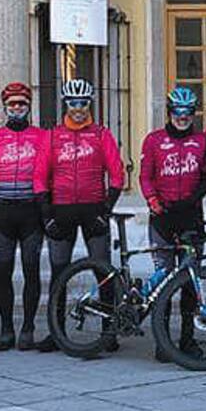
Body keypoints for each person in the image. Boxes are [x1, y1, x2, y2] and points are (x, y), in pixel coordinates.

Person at [35, 78, 125, 353]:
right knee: (59, 272)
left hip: (94, 210)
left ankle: (109, 332)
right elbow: (40, 178)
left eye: (83, 103)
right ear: (66, 104)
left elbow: (118, 175)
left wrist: (106, 209)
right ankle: (56, 331)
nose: (78, 109)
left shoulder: (101, 135)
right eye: (73, 103)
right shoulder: (52, 136)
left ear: (90, 104)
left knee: (104, 272)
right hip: (61, 210)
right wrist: (46, 215)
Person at [139, 86, 206, 361]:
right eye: (177, 112)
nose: (182, 117)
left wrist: (194, 199)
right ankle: (163, 341)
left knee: (189, 281)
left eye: (187, 112)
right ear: (170, 112)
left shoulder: (203, 140)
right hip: (162, 217)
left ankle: (187, 338)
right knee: (164, 279)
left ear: (193, 113)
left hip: (190, 216)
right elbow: (145, 176)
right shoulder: (154, 140)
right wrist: (153, 201)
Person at [0, 82, 50, 351]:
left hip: (31, 213)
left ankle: (28, 327)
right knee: (2, 272)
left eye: (21, 104)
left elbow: (49, 173)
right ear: (4, 107)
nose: (17, 108)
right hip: (2, 213)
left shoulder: (42, 136)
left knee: (31, 270)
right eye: (12, 104)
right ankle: (7, 328)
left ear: (29, 106)